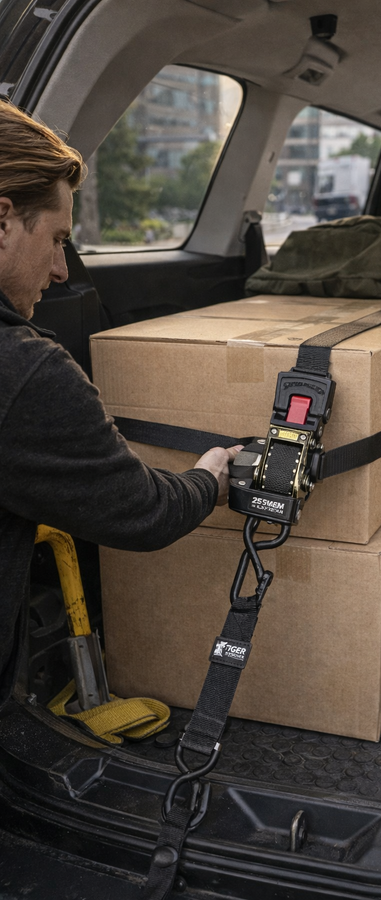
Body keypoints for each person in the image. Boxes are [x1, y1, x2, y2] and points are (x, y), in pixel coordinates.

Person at [0, 101, 242, 708]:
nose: (62, 270)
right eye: (57, 240)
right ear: (2, 220)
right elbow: (143, 512)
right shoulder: (24, 370)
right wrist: (208, 479)